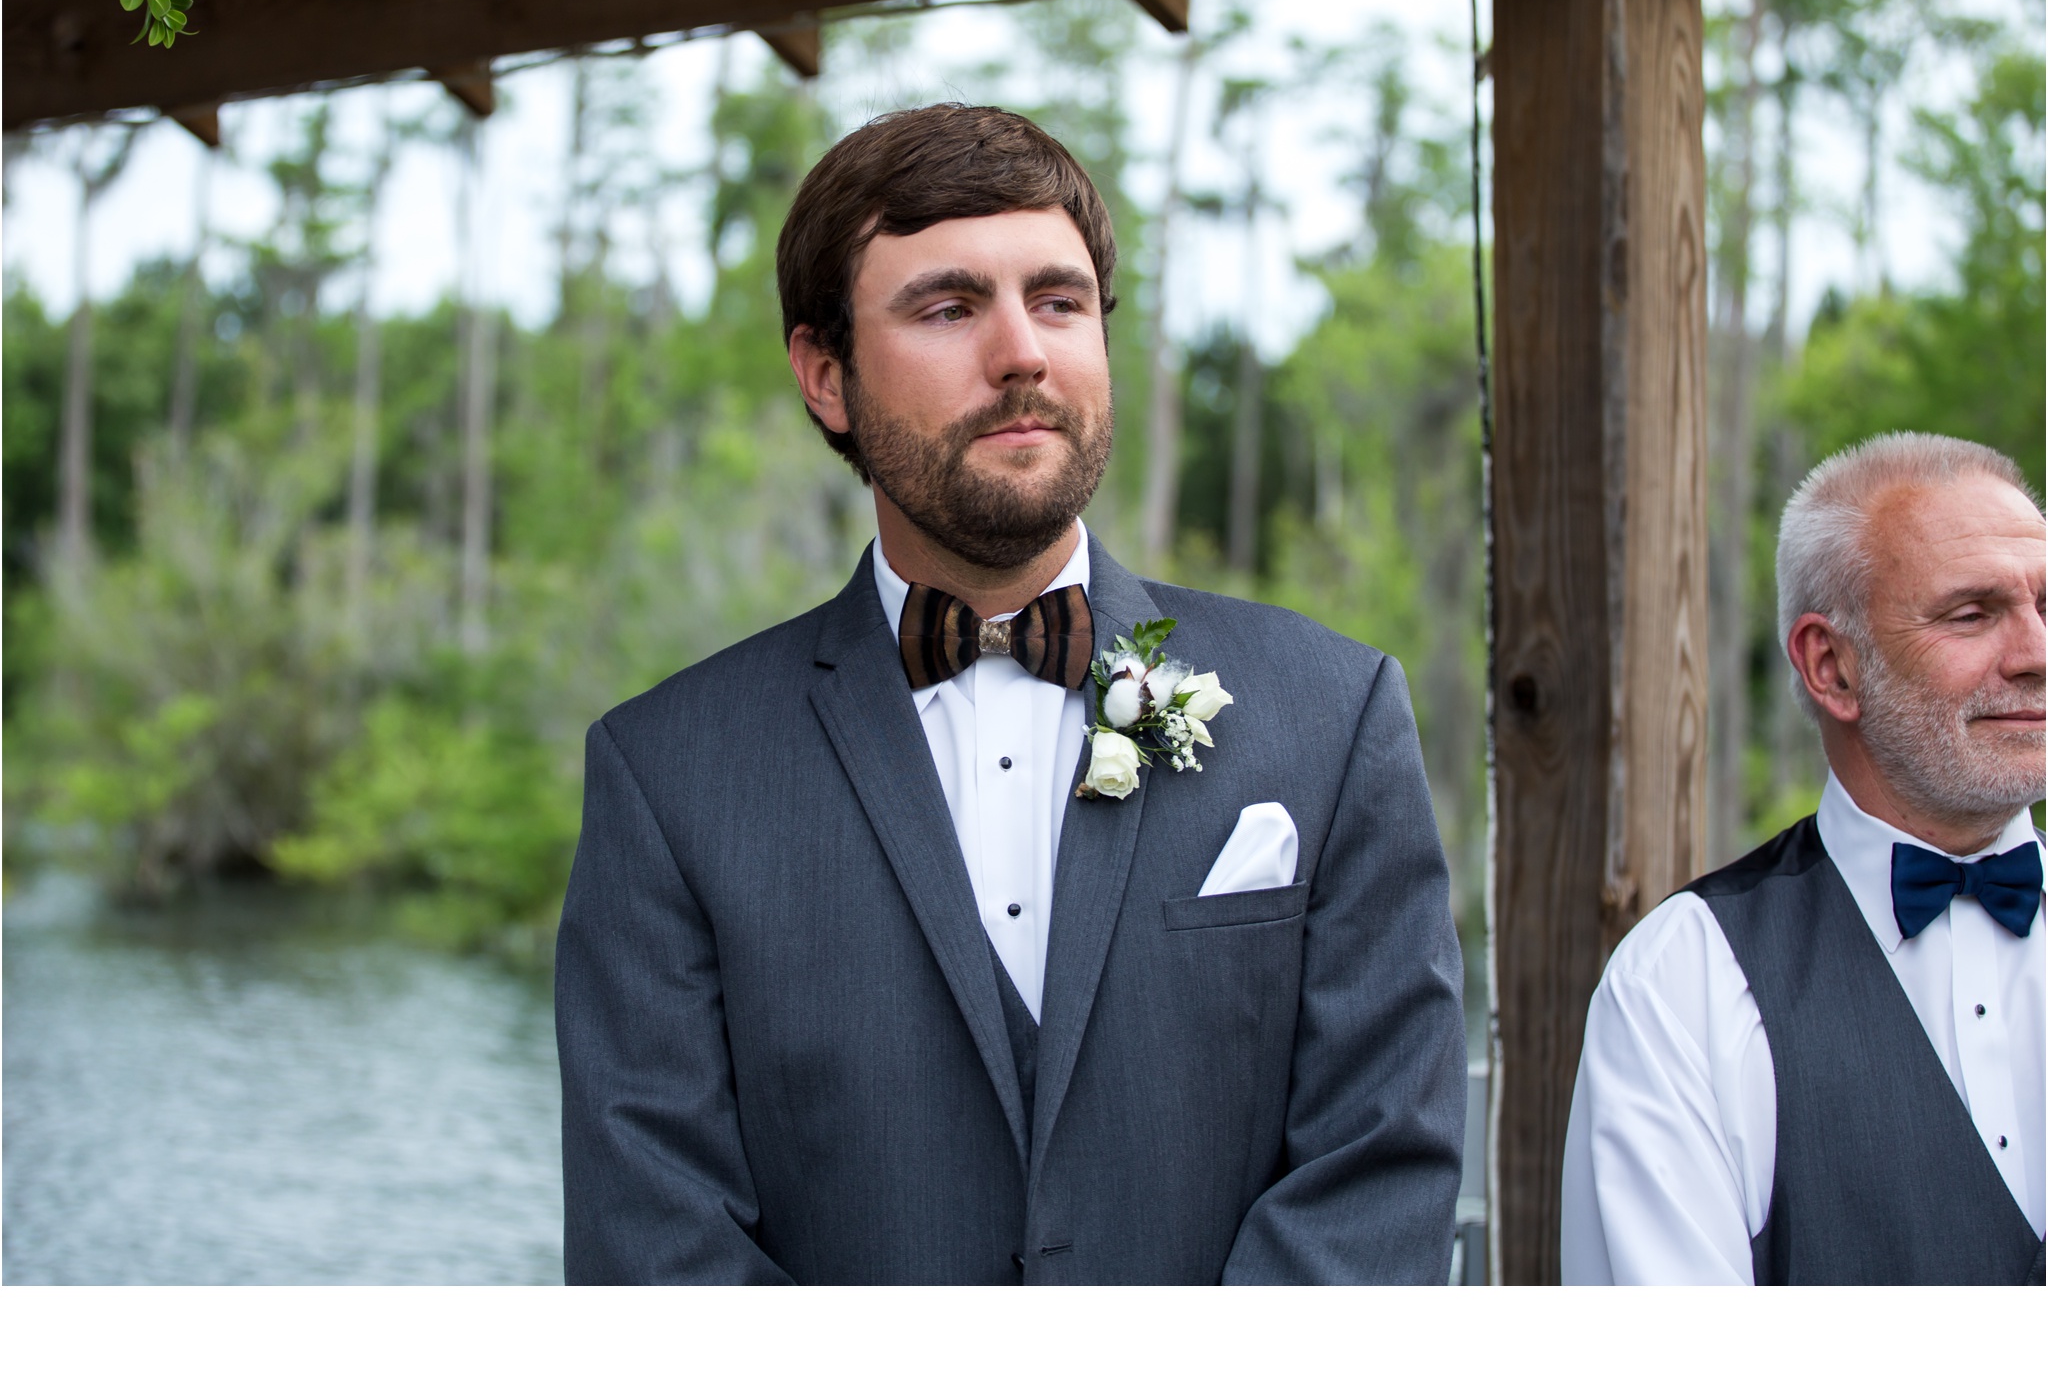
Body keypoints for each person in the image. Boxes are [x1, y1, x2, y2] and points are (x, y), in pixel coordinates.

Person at [553, 104, 1467, 1284]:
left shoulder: (1332, 717)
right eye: (946, 307)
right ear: (825, 376)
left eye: (1058, 299)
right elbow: (654, 1251)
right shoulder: (666, 775)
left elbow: (1381, 1168)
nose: (1021, 351)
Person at [1561, 431, 2046, 1285]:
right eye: (1972, 613)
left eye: (2047, 607)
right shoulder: (1684, 986)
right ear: (1833, 666)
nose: (2036, 653)